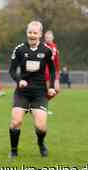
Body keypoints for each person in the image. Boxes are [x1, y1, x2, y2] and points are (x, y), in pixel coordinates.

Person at [8, 21, 56, 158]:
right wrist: (19, 80)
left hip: (39, 93)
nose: (32, 35)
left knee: (41, 127)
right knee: (16, 122)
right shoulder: (19, 49)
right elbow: (11, 70)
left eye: (35, 33)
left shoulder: (46, 50)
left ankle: (41, 143)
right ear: (27, 33)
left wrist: (51, 87)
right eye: (30, 32)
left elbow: (52, 71)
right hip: (22, 92)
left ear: (40, 34)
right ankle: (14, 150)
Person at [44, 30, 60, 99]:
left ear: (53, 38)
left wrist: (58, 71)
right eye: (47, 38)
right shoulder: (42, 46)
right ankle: (41, 106)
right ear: (45, 38)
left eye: (49, 37)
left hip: (54, 71)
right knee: (48, 90)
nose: (48, 39)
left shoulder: (54, 47)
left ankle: (43, 104)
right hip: (46, 71)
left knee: (56, 89)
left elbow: (56, 60)